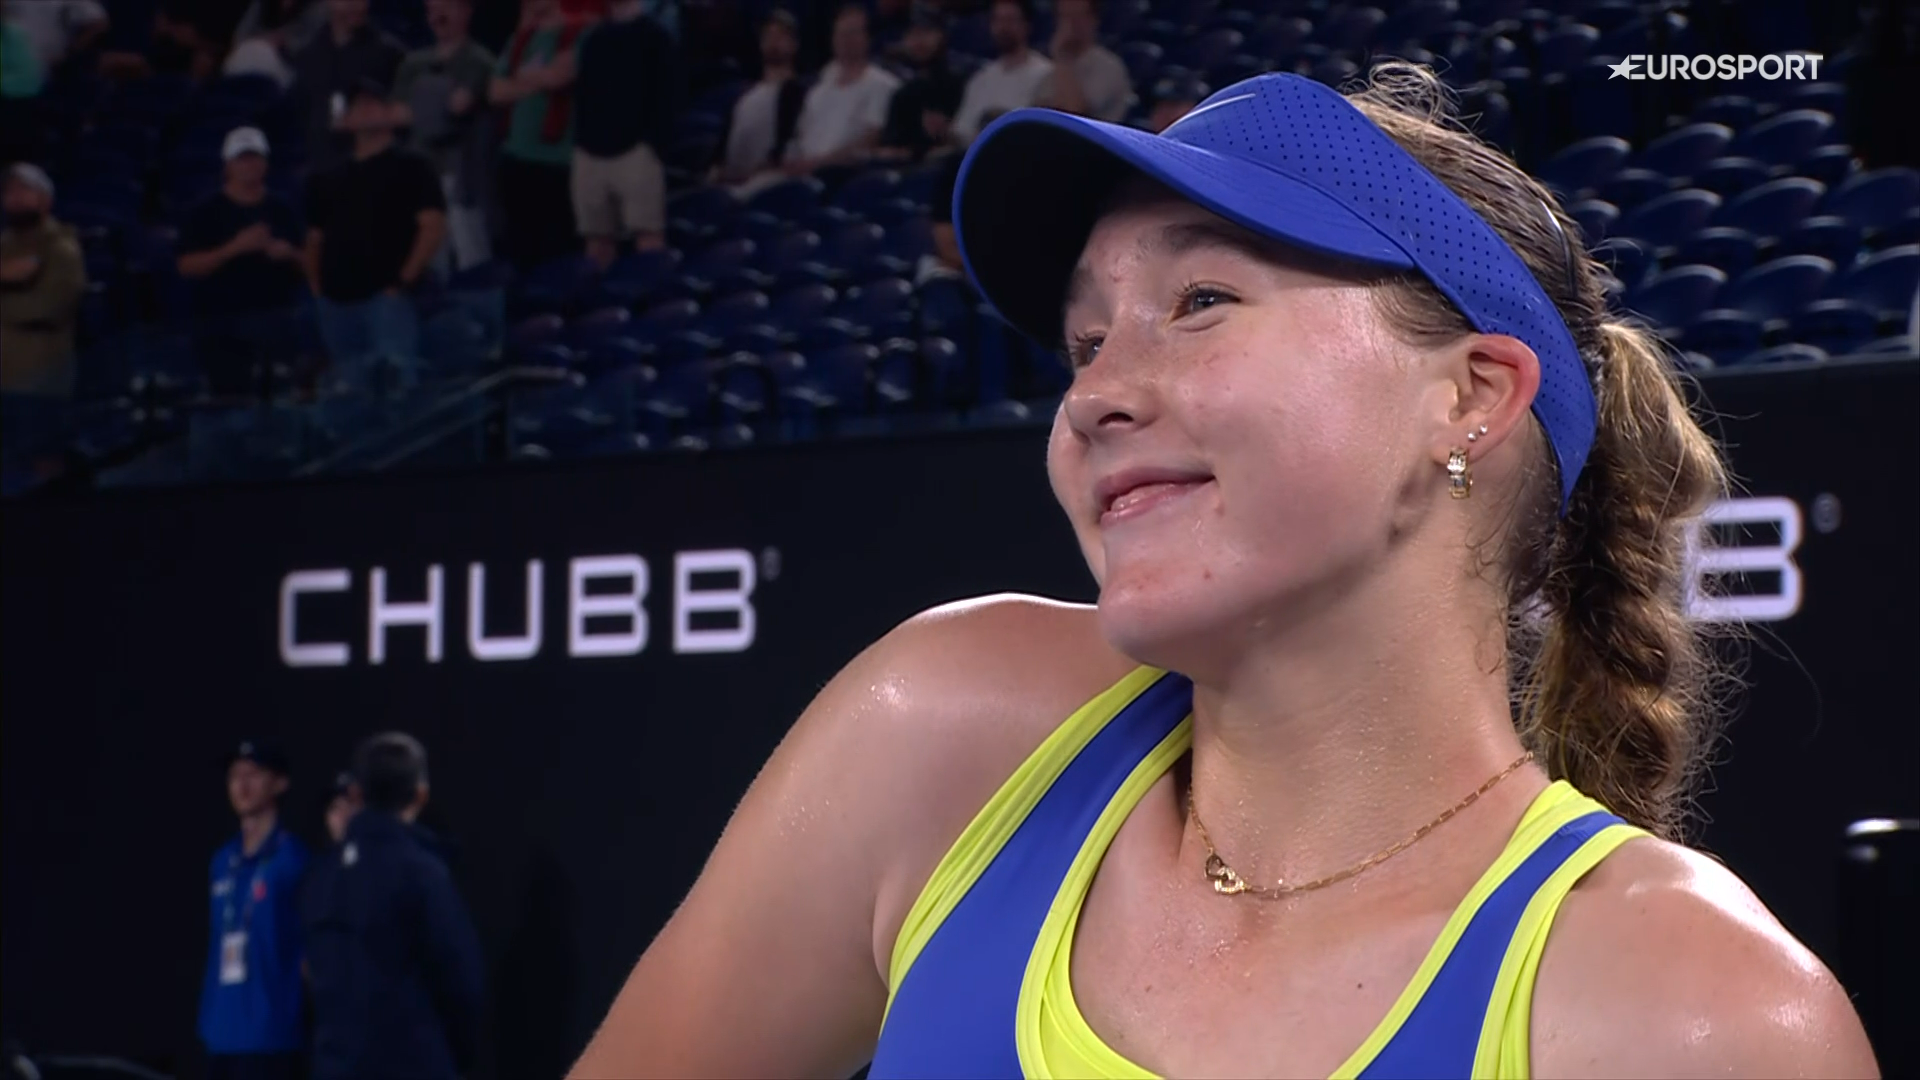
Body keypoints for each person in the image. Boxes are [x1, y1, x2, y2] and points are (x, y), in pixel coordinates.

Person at [566, 65, 1882, 1077]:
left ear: (1471, 396)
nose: (1093, 398)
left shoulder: (1696, 1016)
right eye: (1086, 343)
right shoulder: (941, 737)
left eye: (1199, 302)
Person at [303, 732, 485, 1080]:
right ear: (420, 794)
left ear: (356, 792)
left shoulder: (320, 875)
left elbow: (312, 975)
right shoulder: (422, 872)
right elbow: (462, 985)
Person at [303, 76, 446, 398]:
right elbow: (314, 240)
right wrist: (318, 291)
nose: (367, 109)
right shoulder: (326, 178)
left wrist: (401, 283)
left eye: (374, 102)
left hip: (387, 299)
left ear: (391, 112)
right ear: (346, 120)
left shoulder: (414, 167)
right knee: (351, 394)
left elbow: (432, 227)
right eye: (358, 105)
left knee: (397, 389)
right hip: (336, 303)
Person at [199, 740, 310, 1080]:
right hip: (221, 1032)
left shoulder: (295, 859)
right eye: (234, 776)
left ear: (279, 783)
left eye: (253, 774)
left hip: (272, 1036)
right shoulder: (223, 861)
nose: (242, 785)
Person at [177, 127, 306, 398]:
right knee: (232, 400)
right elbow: (186, 266)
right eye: (241, 158)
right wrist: (234, 248)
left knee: (280, 398)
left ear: (266, 163)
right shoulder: (205, 212)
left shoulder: (282, 209)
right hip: (222, 323)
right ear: (228, 165)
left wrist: (289, 254)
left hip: (276, 318)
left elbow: (308, 261)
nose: (249, 165)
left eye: (254, 157)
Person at [393, 0, 497, 274]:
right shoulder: (413, 62)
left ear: (466, 10)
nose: (438, 15)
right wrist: (435, 98)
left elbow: (456, 106)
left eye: (447, 7)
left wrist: (421, 97)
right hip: (420, 171)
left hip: (462, 174)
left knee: (471, 257)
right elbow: (398, 114)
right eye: (431, 9)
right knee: (430, 260)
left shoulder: (478, 59)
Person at [570, 0, 676, 268]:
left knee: (648, 238)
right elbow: (583, 95)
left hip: (637, 154)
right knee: (596, 243)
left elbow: (669, 97)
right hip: (590, 153)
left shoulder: (656, 37)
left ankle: (652, 294)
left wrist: (652, 147)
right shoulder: (594, 38)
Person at [488, 0, 588, 269]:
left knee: (559, 256)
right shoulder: (521, 38)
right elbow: (495, 91)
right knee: (520, 254)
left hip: (559, 163)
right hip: (516, 159)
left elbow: (559, 77)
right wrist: (537, 78)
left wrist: (522, 78)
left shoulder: (581, 32)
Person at [782, 5, 900, 176]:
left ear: (867, 37)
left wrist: (819, 164)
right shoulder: (817, 91)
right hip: (801, 172)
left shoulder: (882, 85)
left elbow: (869, 141)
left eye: (852, 33)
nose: (845, 40)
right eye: (840, 33)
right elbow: (799, 137)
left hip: (841, 174)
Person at [0, 164, 84, 400]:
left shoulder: (61, 249)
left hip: (37, 378)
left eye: (24, 190)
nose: (15, 197)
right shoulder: (4, 245)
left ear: (46, 200)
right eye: (9, 191)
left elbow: (49, 307)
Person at [291, 0, 404, 175]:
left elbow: (402, 114)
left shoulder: (389, 53)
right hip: (318, 167)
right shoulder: (307, 55)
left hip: (373, 169)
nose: (357, 5)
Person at [710, 9, 807, 191]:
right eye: (768, 35)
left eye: (781, 36)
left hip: (771, 182)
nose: (774, 41)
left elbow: (792, 145)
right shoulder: (743, 97)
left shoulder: (799, 93)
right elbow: (719, 152)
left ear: (794, 44)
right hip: (730, 184)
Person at [951, 0, 1050, 145]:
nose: (1003, 27)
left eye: (1010, 20)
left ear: (1026, 26)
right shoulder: (981, 78)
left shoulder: (1045, 73)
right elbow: (961, 131)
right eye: (998, 20)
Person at [875, 8, 963, 165]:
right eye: (912, 34)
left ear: (941, 35)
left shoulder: (958, 83)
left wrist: (946, 133)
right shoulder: (902, 93)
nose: (919, 40)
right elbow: (890, 144)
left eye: (926, 32)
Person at [1033, 0, 1132, 123]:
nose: (1071, 24)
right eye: (1065, 16)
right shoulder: (1051, 68)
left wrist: (1063, 57)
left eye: (1078, 16)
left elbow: (1075, 112)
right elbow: (1040, 110)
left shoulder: (1109, 67)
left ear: (1094, 19)